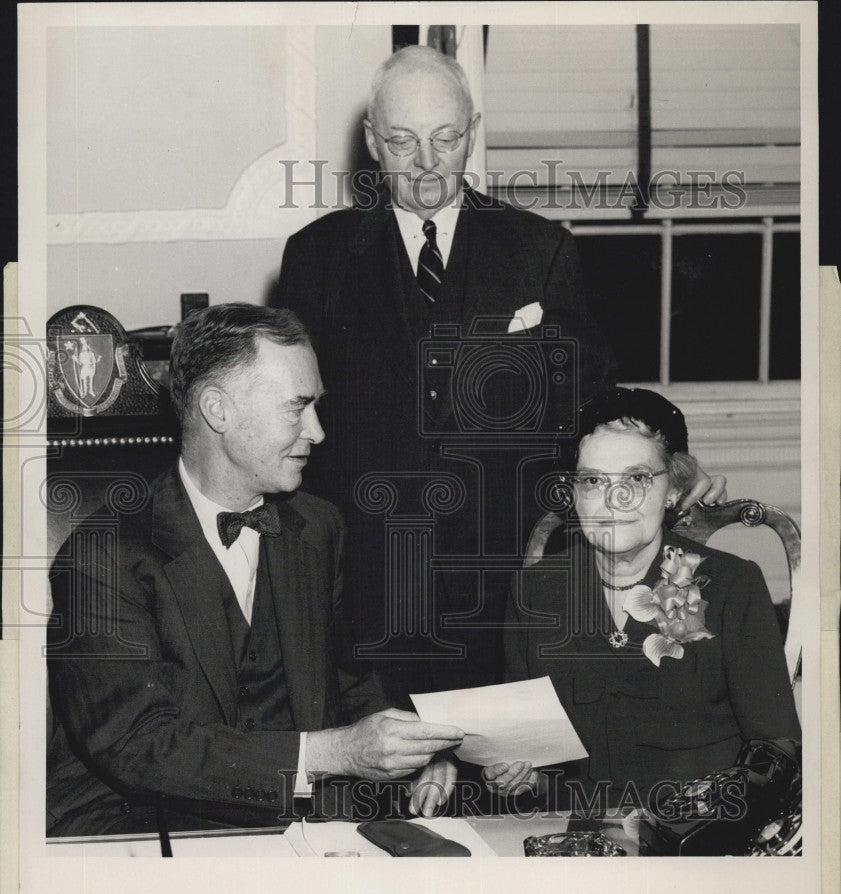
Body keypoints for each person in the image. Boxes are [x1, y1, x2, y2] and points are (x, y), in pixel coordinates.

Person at [276, 45, 726, 704]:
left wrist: (668, 458)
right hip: (364, 578)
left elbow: (591, 398)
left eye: (445, 138)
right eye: (401, 141)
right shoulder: (315, 257)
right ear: (372, 142)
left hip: (501, 578)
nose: (426, 163)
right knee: (379, 785)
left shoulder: (539, 250)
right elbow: (290, 417)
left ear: (472, 135)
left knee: (505, 782)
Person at [46, 304, 463, 837]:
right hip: (137, 826)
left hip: (294, 822)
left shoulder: (317, 526)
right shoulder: (102, 556)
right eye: (298, 407)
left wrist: (413, 751)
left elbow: (342, 679)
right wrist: (334, 752)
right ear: (217, 411)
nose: (318, 431)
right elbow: (137, 746)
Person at [483, 387, 800, 810]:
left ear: (673, 489)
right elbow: (533, 764)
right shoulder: (536, 590)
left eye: (636, 478)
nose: (615, 500)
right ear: (573, 493)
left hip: (699, 835)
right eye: (594, 480)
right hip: (574, 835)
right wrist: (516, 775)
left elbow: (776, 749)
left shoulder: (728, 584)